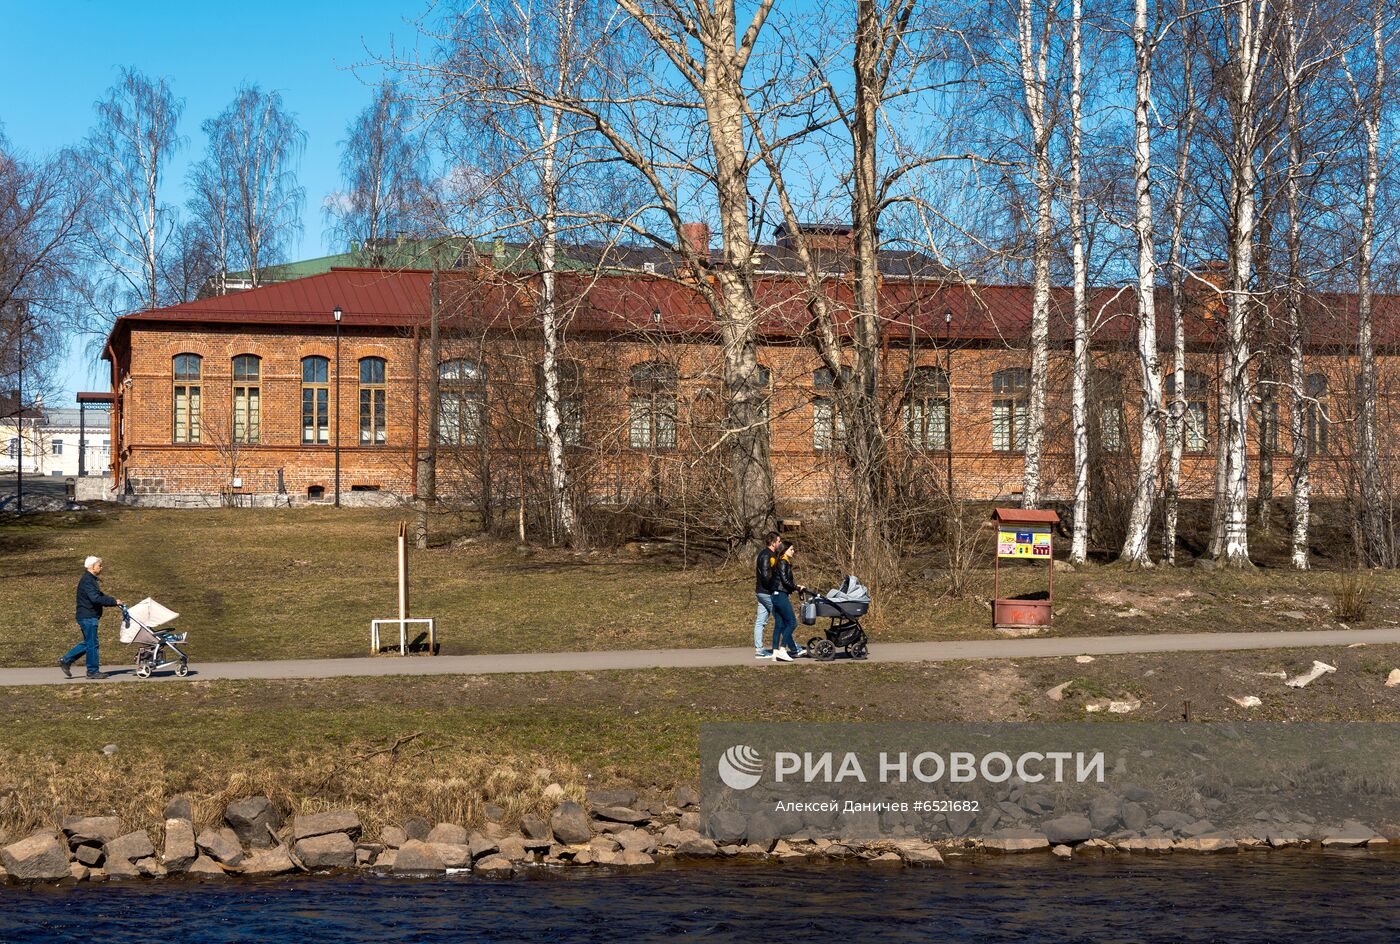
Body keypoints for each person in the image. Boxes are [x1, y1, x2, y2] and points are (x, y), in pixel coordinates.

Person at [62, 556, 123, 680]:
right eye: (99, 565)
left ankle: (66, 660)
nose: (101, 567)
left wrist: (113, 601)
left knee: (88, 643)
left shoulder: (90, 580)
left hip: (88, 616)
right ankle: (92, 671)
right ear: (92, 566)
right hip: (88, 616)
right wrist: (113, 602)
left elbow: (99, 596)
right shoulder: (88, 581)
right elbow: (95, 598)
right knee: (93, 644)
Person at [768, 541, 809, 662]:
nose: (793, 551)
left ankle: (775, 652)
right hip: (780, 594)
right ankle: (782, 650)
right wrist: (797, 587)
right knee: (792, 622)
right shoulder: (783, 561)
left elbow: (783, 581)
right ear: (785, 550)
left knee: (779, 624)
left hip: (776, 594)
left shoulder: (780, 561)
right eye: (791, 549)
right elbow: (785, 581)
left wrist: (791, 589)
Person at [752, 531, 783, 658]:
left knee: (760, 621)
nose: (780, 543)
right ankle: (788, 647)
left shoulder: (768, 554)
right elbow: (766, 577)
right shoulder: (766, 555)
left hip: (761, 592)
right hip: (766, 593)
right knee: (782, 618)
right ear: (773, 542)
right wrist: (776, 589)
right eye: (779, 541)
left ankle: (759, 650)